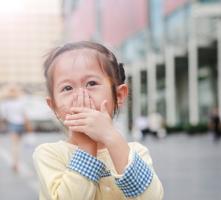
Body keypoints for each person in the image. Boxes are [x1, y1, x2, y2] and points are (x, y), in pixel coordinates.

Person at [32, 41, 164, 200]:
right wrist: (87, 146)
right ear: (54, 106)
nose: (81, 96)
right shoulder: (50, 154)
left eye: (91, 83)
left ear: (119, 95)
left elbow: (152, 197)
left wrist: (111, 137)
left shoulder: (135, 152)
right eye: (67, 88)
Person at [1, 84, 32, 172]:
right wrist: (28, 126)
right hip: (21, 124)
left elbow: (4, 117)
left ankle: (15, 163)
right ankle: (17, 162)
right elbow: (25, 116)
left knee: (14, 145)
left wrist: (2, 124)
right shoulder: (20, 102)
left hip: (12, 125)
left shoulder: (6, 103)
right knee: (18, 145)